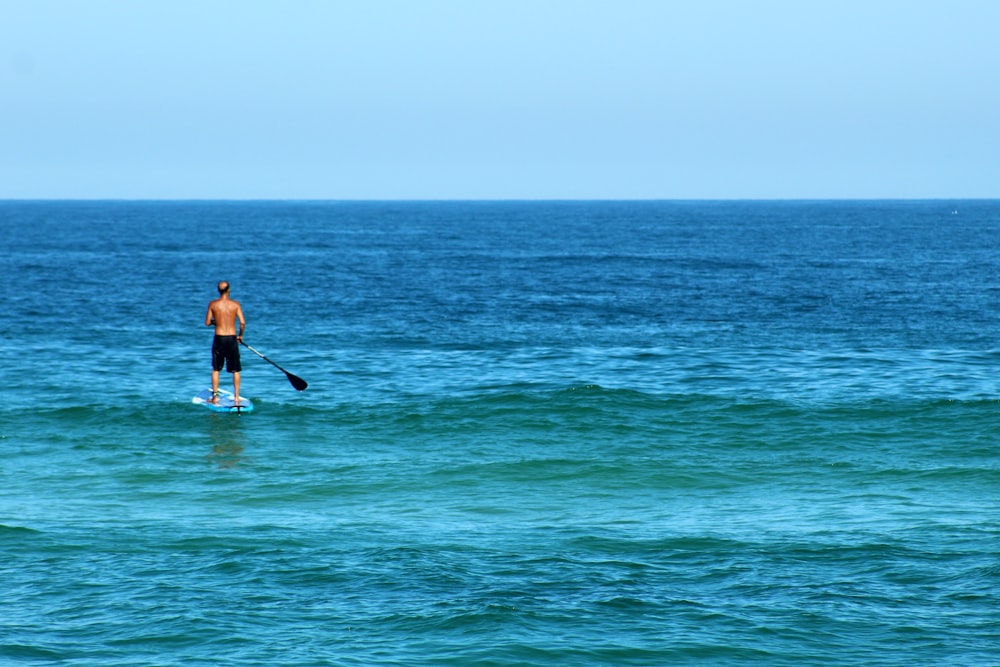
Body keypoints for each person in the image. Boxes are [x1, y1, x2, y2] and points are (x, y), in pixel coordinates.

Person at [205, 281, 246, 404]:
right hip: (232, 338)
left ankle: (215, 397)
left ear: (218, 290)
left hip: (219, 338)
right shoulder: (235, 304)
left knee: (216, 369)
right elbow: (243, 323)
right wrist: (240, 336)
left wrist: (216, 322)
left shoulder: (213, 304)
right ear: (229, 290)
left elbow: (207, 322)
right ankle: (237, 397)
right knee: (236, 370)